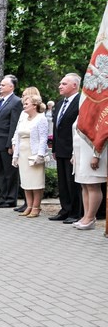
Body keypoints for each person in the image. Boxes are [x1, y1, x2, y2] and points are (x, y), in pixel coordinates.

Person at [71, 93, 107, 229]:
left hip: (92, 154)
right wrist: (74, 154)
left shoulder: (99, 114)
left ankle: (91, 217)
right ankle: (86, 216)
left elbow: (101, 135)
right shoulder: (82, 114)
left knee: (93, 185)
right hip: (81, 154)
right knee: (84, 185)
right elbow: (76, 135)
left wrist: (96, 155)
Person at [50, 73, 82, 223]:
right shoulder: (60, 103)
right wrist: (54, 148)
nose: (60, 86)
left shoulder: (81, 101)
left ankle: (76, 212)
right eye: (60, 83)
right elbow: (57, 127)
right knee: (62, 182)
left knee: (73, 182)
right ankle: (65, 209)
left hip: (73, 148)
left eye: (64, 84)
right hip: (61, 149)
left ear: (74, 85)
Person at [0, 75, 23, 208]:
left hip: (5, 143)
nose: (0, 86)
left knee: (9, 173)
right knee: (0, 172)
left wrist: (11, 144)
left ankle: (10, 199)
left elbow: (13, 125)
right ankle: (3, 196)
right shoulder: (1, 101)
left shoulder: (16, 102)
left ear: (11, 87)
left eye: (3, 85)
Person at [11, 95, 48, 218]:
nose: (24, 106)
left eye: (26, 104)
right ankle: (29, 206)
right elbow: (17, 135)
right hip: (23, 152)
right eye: (24, 104)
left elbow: (43, 138)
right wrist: (15, 155)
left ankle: (36, 207)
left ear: (34, 105)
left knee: (36, 181)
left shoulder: (41, 118)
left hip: (34, 153)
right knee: (26, 181)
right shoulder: (24, 118)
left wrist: (40, 154)